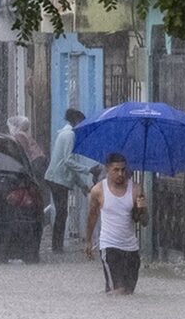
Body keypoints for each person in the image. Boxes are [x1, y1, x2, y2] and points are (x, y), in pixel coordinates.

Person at [85, 152, 147, 294]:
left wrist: (142, 209)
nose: (120, 174)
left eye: (123, 170)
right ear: (108, 169)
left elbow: (143, 222)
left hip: (131, 249)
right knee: (118, 292)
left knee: (128, 293)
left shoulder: (136, 190)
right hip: (110, 246)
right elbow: (92, 217)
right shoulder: (98, 190)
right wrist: (88, 241)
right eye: (116, 170)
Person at [44, 108, 91, 252]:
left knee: (61, 212)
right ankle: (57, 246)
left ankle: (57, 245)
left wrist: (82, 185)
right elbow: (68, 161)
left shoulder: (64, 134)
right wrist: (88, 170)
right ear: (77, 121)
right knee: (62, 212)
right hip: (58, 179)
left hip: (56, 178)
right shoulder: (70, 135)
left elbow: (69, 167)